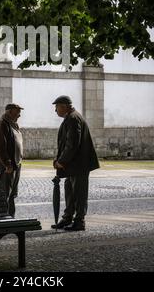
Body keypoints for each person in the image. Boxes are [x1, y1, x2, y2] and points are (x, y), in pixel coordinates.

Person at [51, 95, 99, 231]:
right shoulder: (71, 117)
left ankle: (79, 221)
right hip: (73, 166)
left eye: (57, 107)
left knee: (79, 193)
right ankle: (67, 218)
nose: (55, 110)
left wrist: (61, 161)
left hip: (78, 165)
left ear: (64, 106)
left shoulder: (73, 118)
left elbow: (72, 144)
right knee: (70, 192)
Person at [0, 103, 24, 218]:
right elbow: (0, 147)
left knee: (13, 193)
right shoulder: (2, 124)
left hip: (16, 164)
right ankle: (2, 216)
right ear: (9, 112)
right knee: (4, 193)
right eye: (17, 112)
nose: (19, 115)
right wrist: (7, 164)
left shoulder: (13, 124)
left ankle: (10, 216)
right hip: (8, 166)